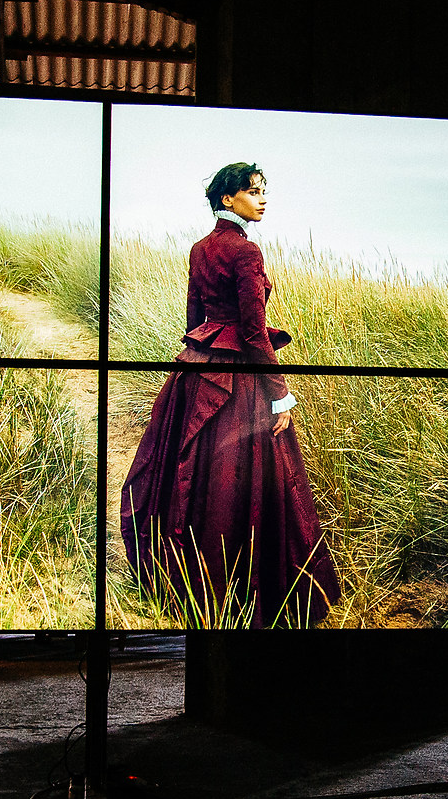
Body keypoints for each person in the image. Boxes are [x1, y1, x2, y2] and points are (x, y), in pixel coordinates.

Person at [120, 162, 339, 627]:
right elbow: (255, 333)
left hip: (198, 370)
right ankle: (242, 591)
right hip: (240, 381)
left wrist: (200, 361)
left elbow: (192, 321)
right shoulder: (246, 251)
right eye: (253, 192)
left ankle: (185, 583)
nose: (262, 199)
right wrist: (280, 393)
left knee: (196, 475)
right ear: (227, 199)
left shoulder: (200, 248)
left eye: (263, 192)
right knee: (239, 482)